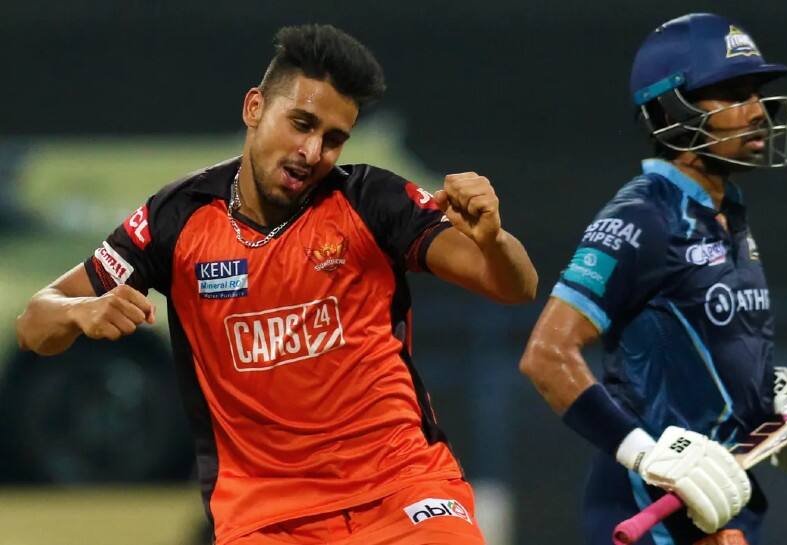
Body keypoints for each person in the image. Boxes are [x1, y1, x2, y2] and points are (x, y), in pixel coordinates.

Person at [16, 24, 537, 545]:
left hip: (401, 493)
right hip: (265, 519)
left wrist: (493, 240)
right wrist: (78, 313)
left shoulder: (371, 201)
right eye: (301, 124)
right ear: (254, 108)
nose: (312, 152)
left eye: (333, 139)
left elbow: (515, 286)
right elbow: (35, 322)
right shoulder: (176, 218)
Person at [518, 13, 787, 545]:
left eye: (756, 92)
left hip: (724, 512)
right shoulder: (644, 217)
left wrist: (783, 423)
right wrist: (648, 454)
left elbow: (708, 357)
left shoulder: (727, 211)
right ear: (671, 109)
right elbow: (546, 356)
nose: (757, 112)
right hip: (650, 516)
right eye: (731, 92)